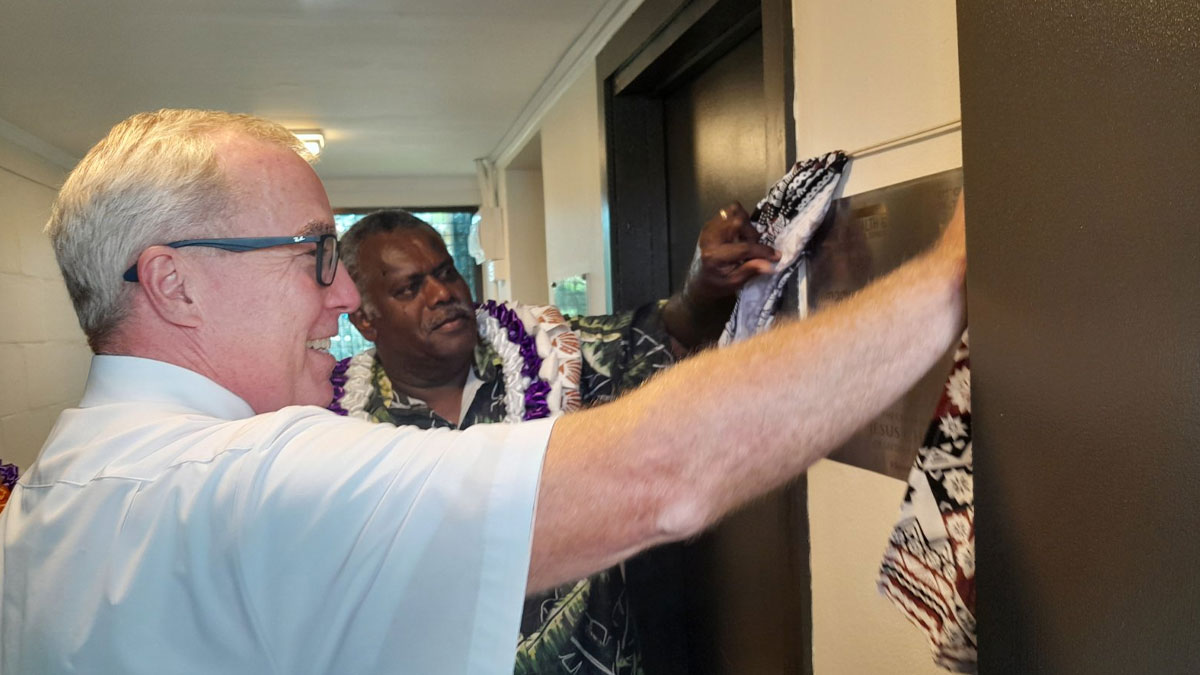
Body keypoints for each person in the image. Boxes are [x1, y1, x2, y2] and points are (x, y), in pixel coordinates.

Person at [0, 109, 966, 675]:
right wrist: (953, 273)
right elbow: (660, 475)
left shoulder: (45, 502)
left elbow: (658, 339)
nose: (341, 298)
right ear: (174, 283)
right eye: (312, 254)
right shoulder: (245, 481)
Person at [333, 207, 773, 674]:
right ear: (365, 320)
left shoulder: (550, 355)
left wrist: (702, 287)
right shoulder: (338, 427)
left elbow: (669, 333)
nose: (442, 294)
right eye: (409, 288)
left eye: (446, 273)